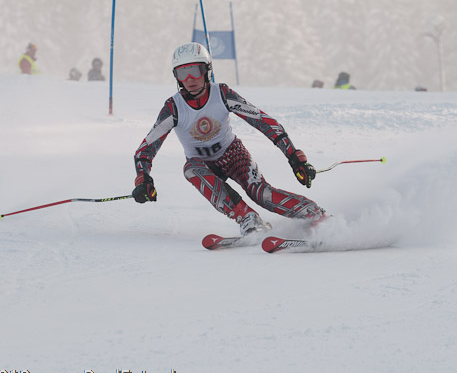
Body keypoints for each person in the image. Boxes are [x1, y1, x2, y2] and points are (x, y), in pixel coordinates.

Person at [132, 42, 326, 236]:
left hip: (233, 155)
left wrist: (293, 155)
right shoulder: (173, 107)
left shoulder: (222, 94)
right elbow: (144, 150)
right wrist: (143, 180)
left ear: (206, 70)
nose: (189, 79)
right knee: (191, 170)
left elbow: (263, 121)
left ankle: (315, 214)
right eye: (182, 73)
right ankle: (249, 219)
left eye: (195, 71)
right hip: (202, 164)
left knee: (261, 194)